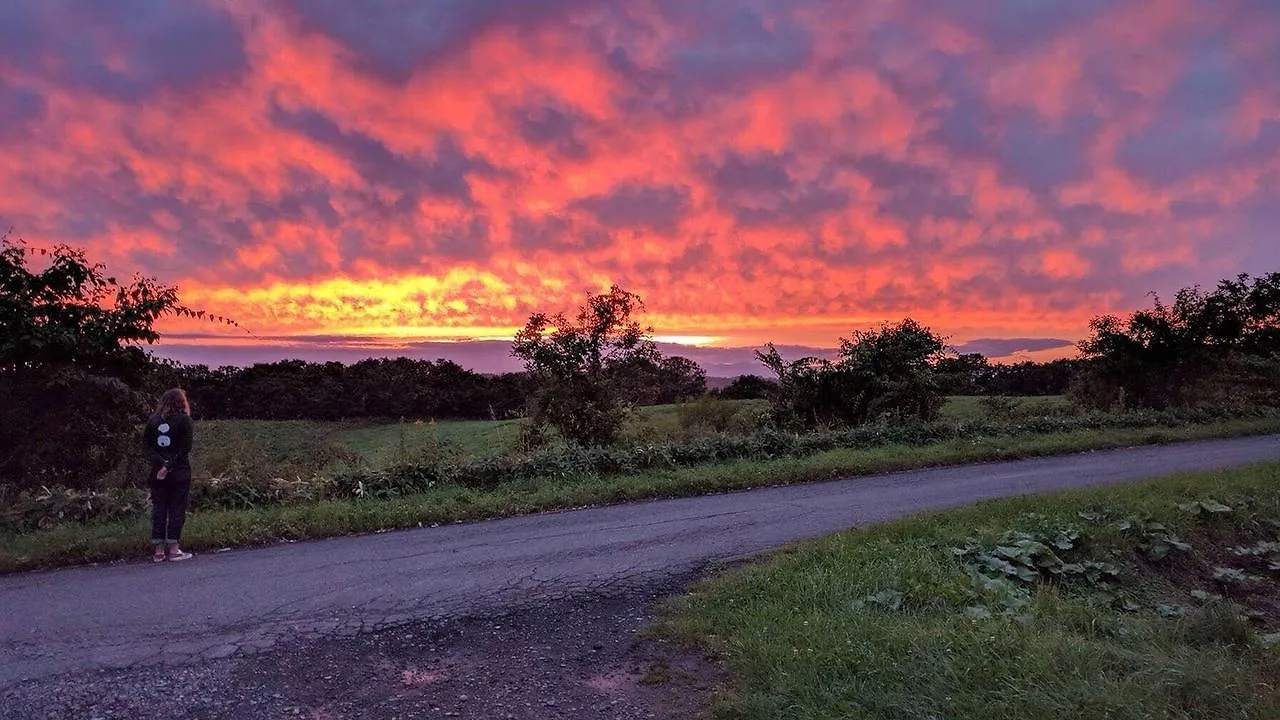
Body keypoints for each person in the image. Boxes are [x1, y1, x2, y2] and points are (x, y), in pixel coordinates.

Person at [142, 388, 195, 562]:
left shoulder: (153, 421)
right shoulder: (184, 421)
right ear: (181, 402)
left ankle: (158, 551)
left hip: (157, 473)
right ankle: (173, 549)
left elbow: (147, 447)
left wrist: (160, 464)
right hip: (179, 472)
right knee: (176, 509)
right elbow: (185, 448)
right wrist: (169, 465)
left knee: (159, 509)